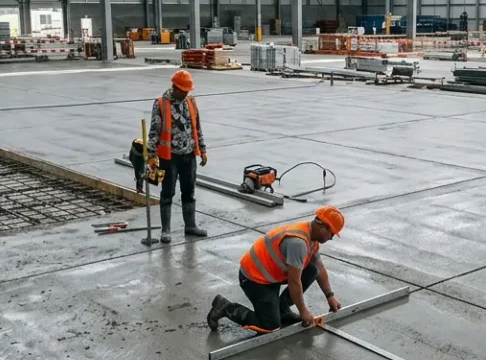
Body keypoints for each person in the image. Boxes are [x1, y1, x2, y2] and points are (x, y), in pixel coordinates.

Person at [206, 207, 346, 332]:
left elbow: (319, 267)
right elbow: (294, 281)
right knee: (270, 326)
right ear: (324, 228)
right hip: (254, 279)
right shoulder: (298, 243)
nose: (332, 238)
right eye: (332, 234)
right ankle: (225, 307)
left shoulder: (311, 237)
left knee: (312, 269)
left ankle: (282, 310)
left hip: (270, 275)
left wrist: (330, 296)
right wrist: (303, 311)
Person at [146, 70, 207, 243]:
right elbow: (154, 132)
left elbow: (197, 127)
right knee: (167, 193)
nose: (187, 93)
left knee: (189, 191)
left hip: (189, 155)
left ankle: (190, 226)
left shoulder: (190, 102)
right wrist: (151, 155)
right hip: (169, 157)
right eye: (184, 90)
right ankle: (166, 230)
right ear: (175, 87)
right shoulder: (161, 104)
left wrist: (202, 149)